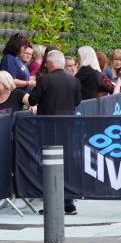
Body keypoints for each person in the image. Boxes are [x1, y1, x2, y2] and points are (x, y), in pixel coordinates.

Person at [27, 50, 81, 214]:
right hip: (68, 128)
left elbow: (32, 100)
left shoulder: (45, 80)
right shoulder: (74, 81)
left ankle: (52, 204)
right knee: (66, 165)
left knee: (50, 165)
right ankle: (69, 203)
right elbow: (77, 101)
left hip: (48, 128)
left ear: (50, 64)